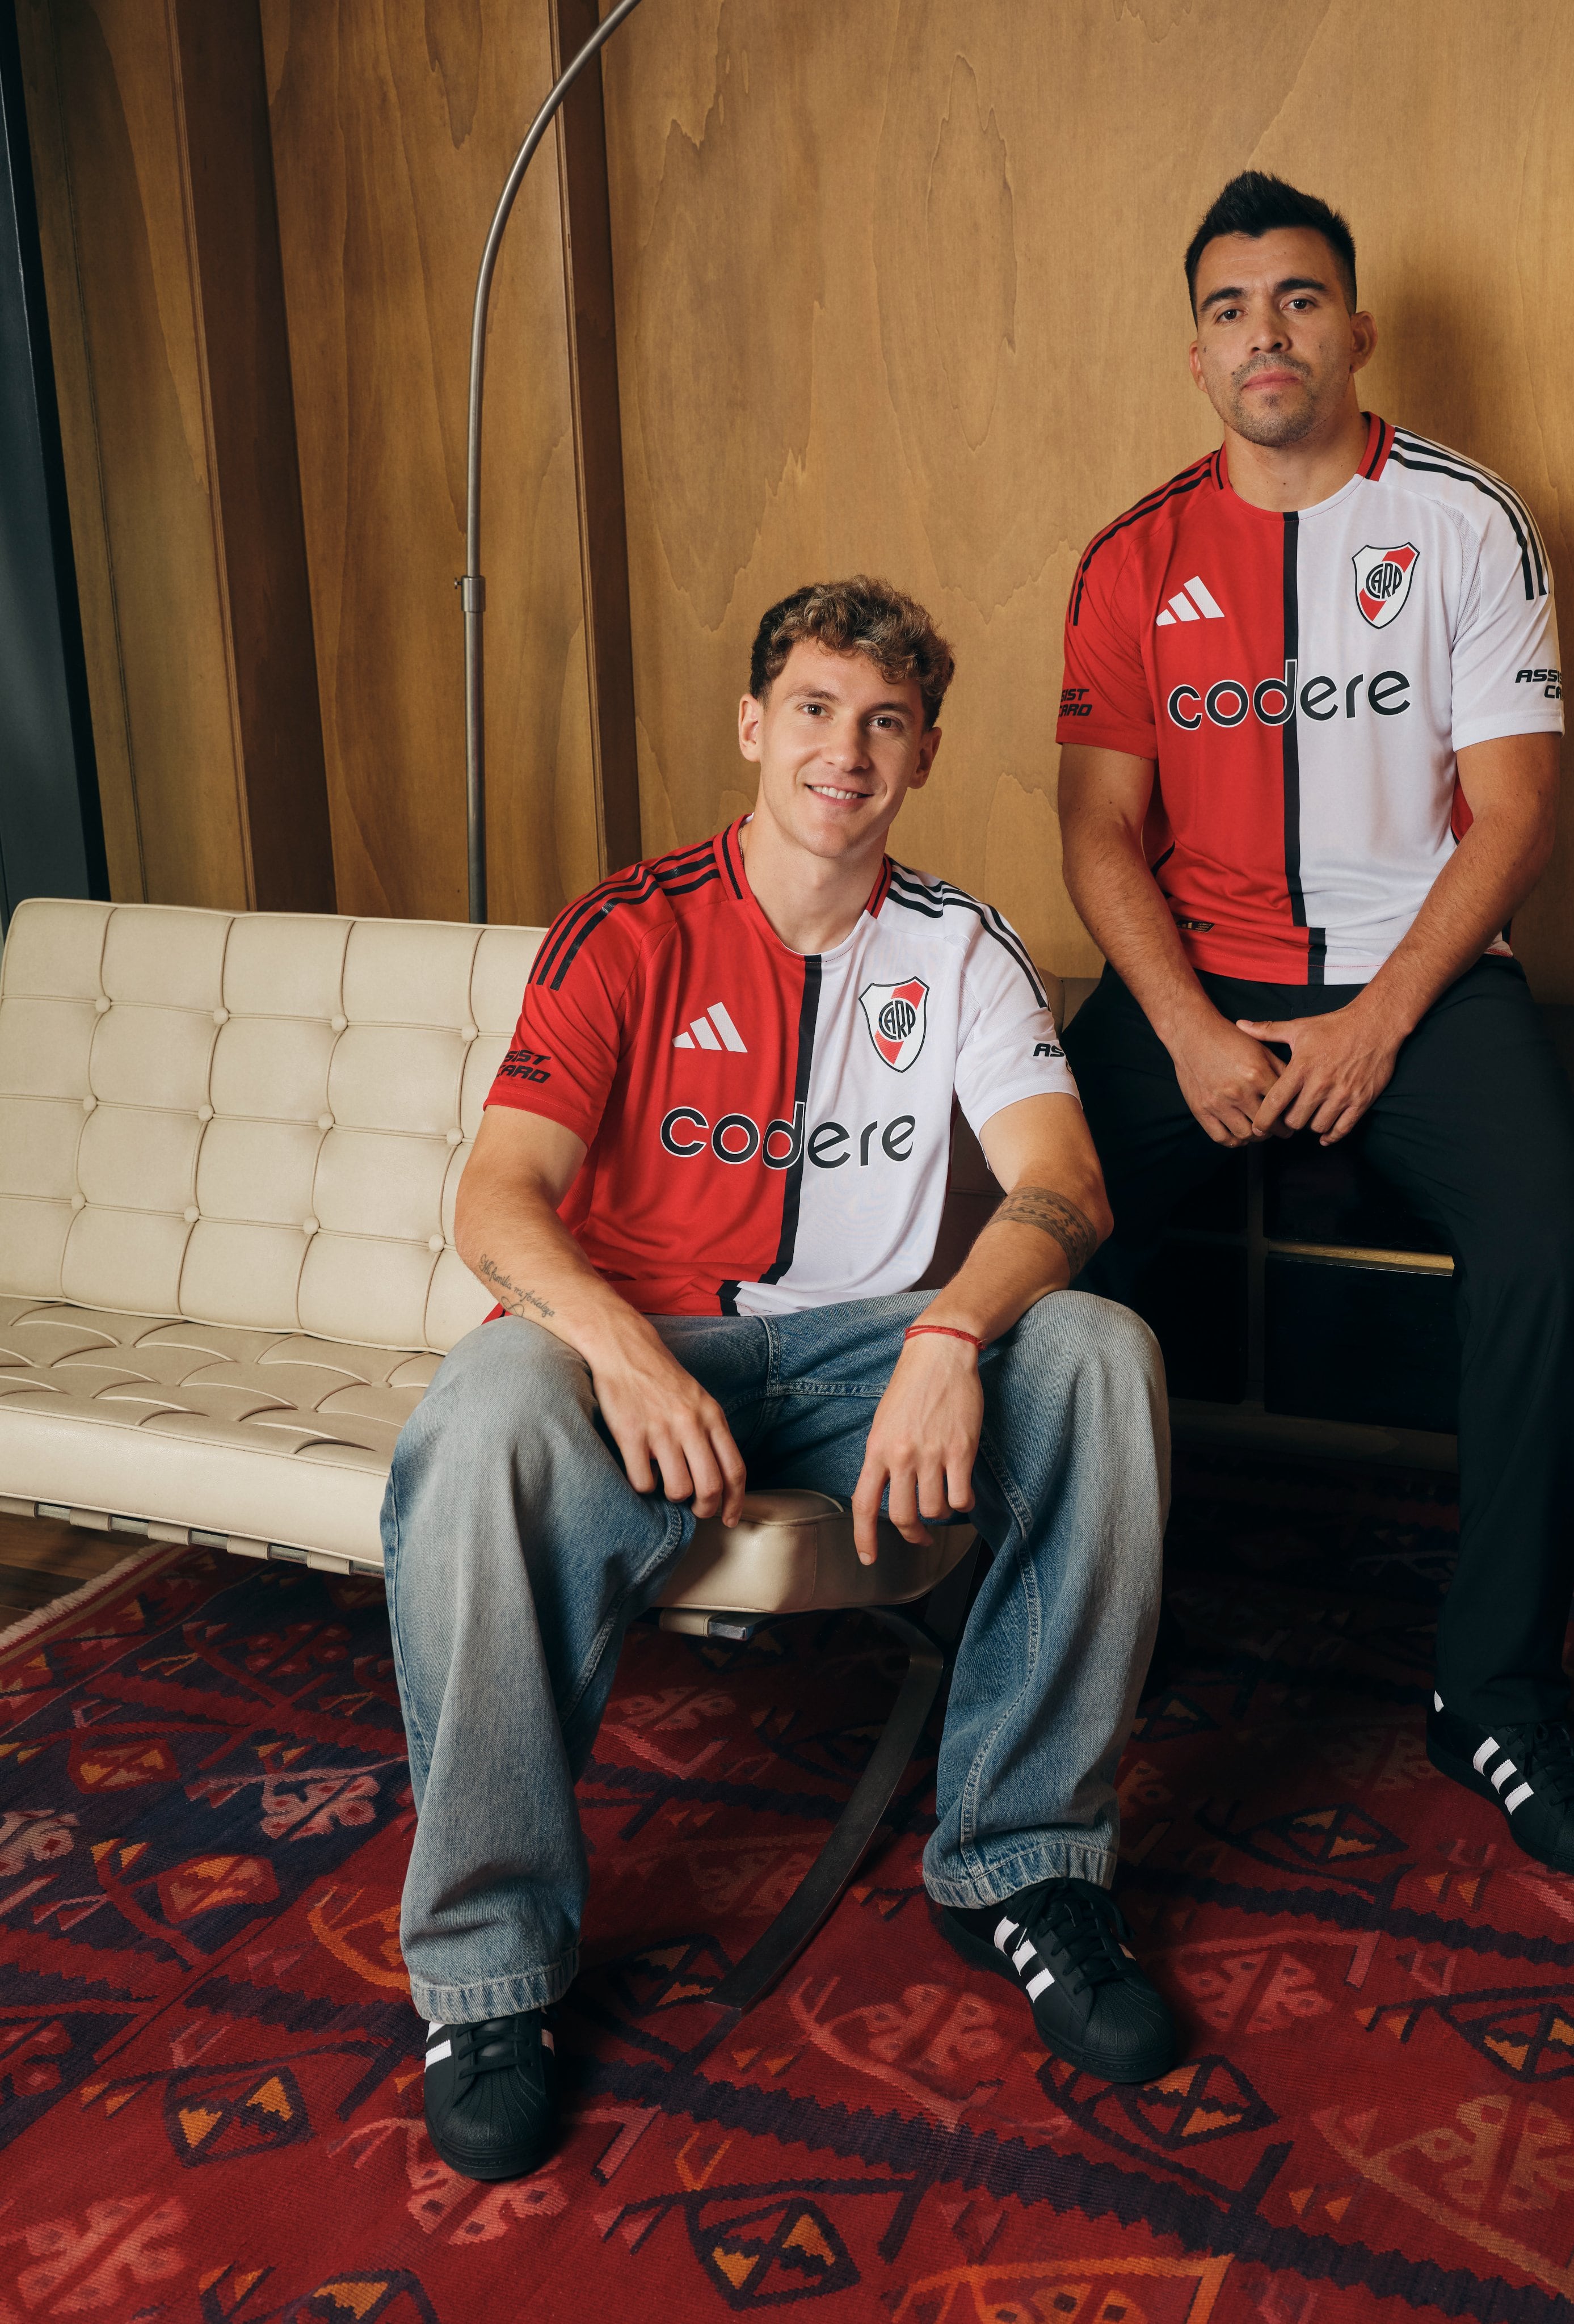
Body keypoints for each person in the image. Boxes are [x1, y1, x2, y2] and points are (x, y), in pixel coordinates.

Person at [386, 576, 1176, 2183]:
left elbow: (1066, 1187)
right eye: (815, 710)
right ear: (755, 727)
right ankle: (486, 1979)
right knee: (478, 1427)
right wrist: (618, 1348)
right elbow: (496, 1199)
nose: (846, 749)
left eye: (885, 722)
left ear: (926, 753)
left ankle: (1023, 1866)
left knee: (1102, 1356)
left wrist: (951, 1335)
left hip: (864, 1337)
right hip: (643, 1334)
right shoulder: (632, 925)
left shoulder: (962, 952)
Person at [1055, 172, 1574, 1887]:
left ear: (1357, 329)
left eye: (1300, 300)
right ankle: (1027, 1642)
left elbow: (1514, 815)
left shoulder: (1467, 521)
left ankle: (1500, 1693)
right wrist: (1189, 1034)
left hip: (1424, 981)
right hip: (1197, 989)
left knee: (1549, 1247)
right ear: (1195, 353)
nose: (1267, 335)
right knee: (1037, 1238)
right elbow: (1097, 830)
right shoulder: (1133, 555)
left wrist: (1376, 1028)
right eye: (1232, 310)